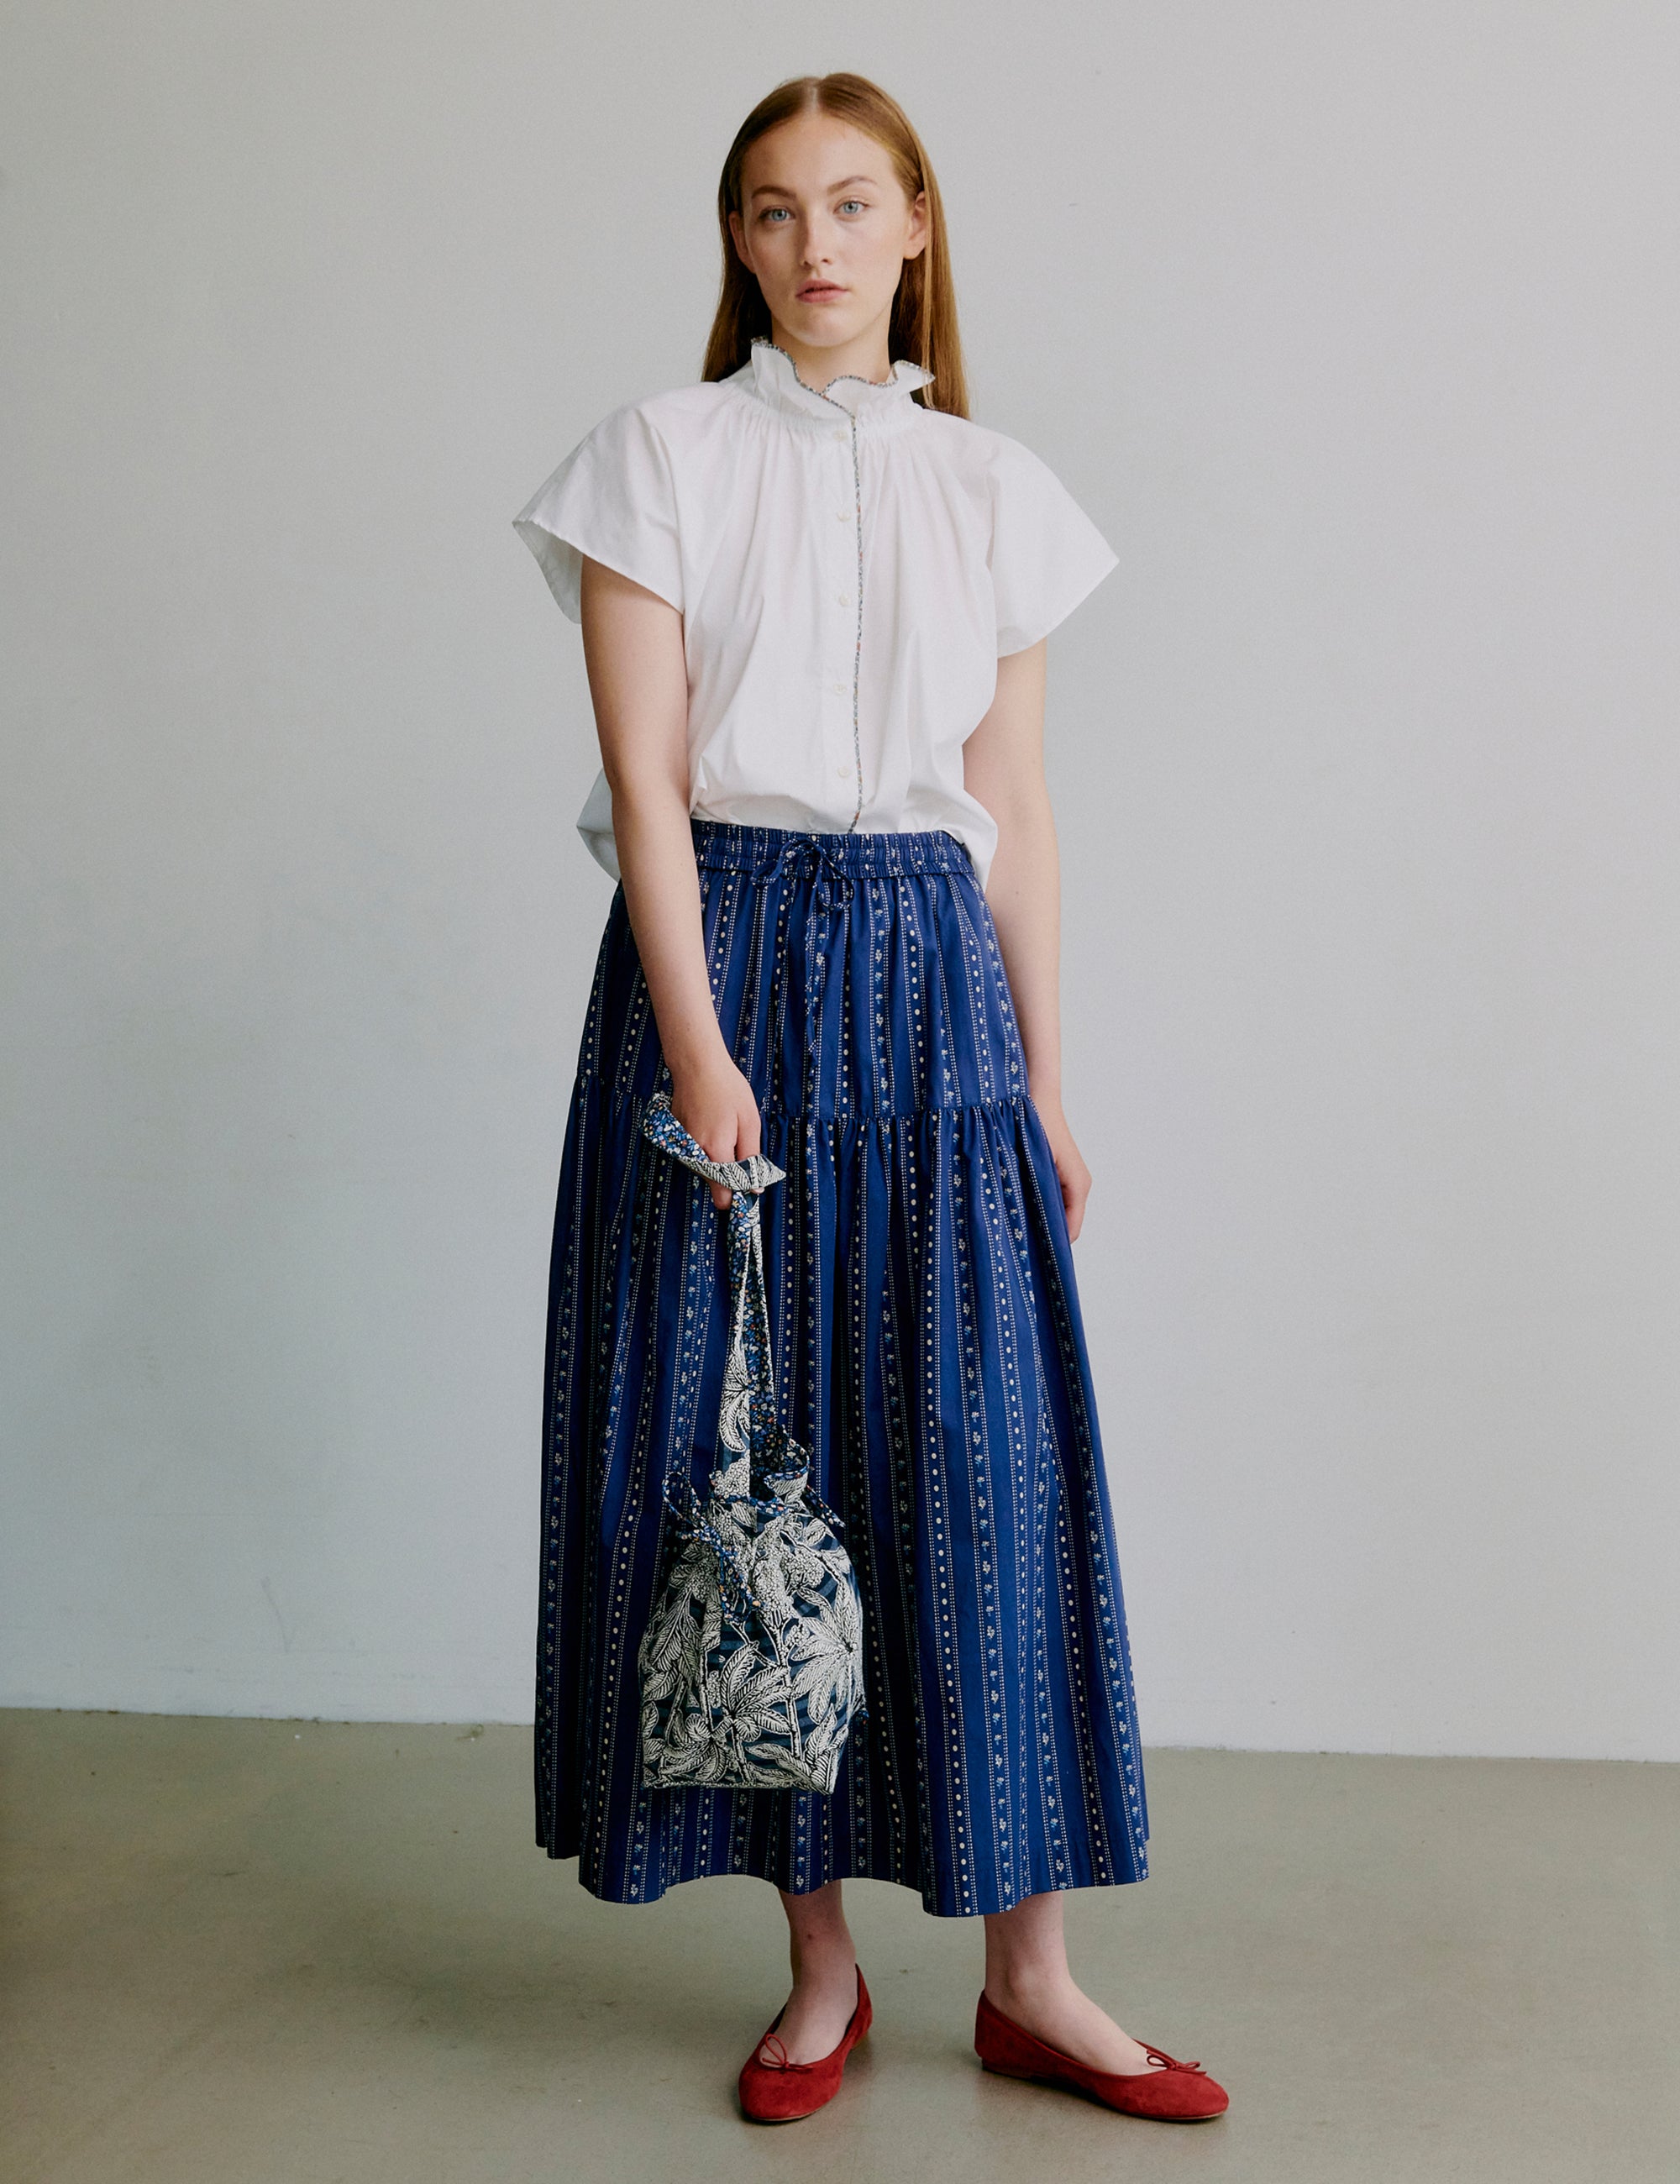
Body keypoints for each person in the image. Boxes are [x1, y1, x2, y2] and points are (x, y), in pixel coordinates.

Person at [511, 71, 1227, 2128]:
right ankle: (818, 1969)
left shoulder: (995, 489)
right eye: (769, 209)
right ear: (734, 242)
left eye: (848, 203)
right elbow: (649, 781)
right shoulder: (656, 458)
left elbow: (1014, 807)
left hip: (932, 977)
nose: (810, 244)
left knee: (982, 1459)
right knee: (746, 1465)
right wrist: (699, 1042)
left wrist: (1045, 1082)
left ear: (915, 224)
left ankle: (1033, 1979)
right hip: (720, 959)